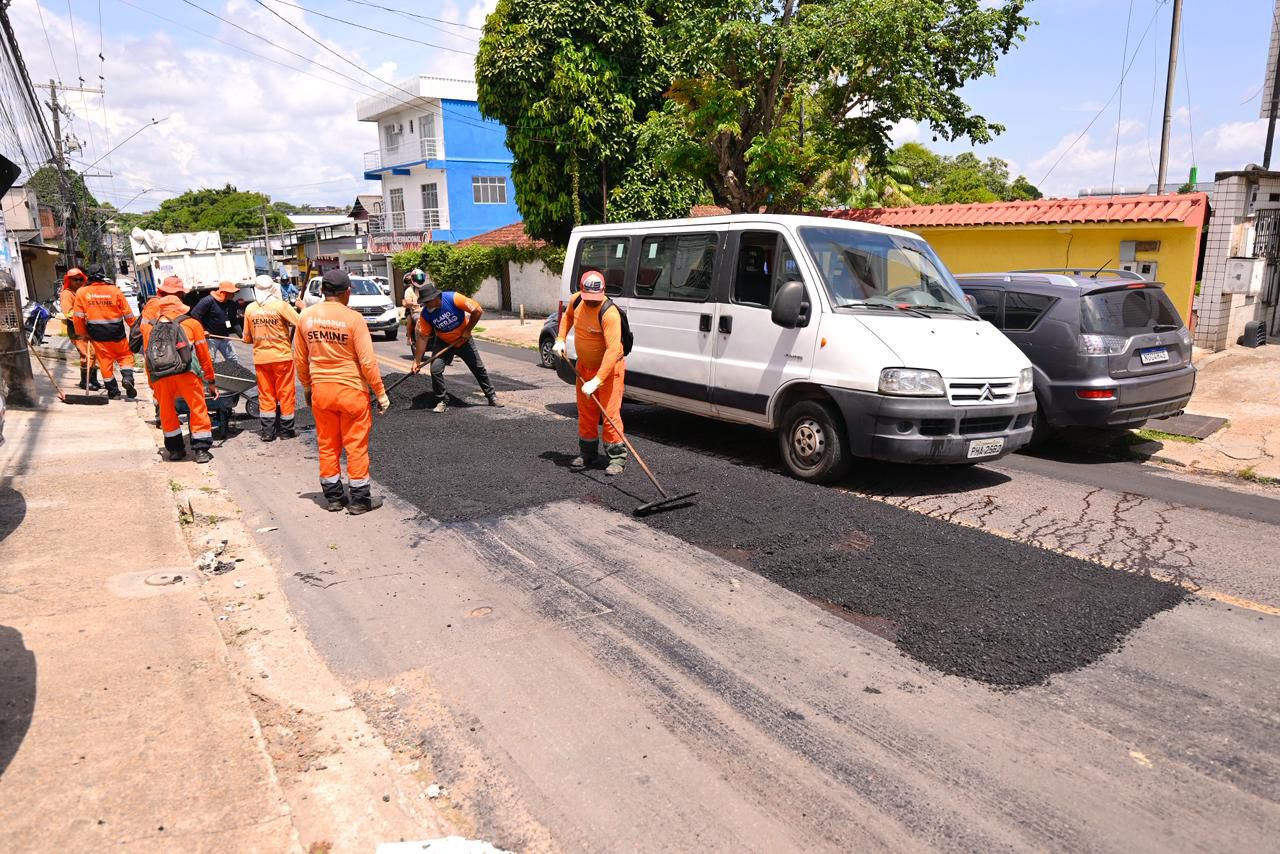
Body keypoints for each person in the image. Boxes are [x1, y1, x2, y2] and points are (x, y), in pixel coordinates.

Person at [294, 269, 390, 515]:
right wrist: (380, 393)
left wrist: (306, 386)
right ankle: (359, 500)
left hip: (321, 391)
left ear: (323, 291)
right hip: (351, 391)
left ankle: (334, 498)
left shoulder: (306, 317)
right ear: (347, 292)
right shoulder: (353, 319)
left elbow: (300, 359)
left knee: (327, 444)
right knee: (355, 445)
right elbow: (367, 361)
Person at [553, 270, 627, 475]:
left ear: (602, 292)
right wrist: (560, 339)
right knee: (586, 412)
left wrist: (597, 380)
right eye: (589, 298)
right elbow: (567, 318)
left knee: (609, 413)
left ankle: (616, 458)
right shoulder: (576, 301)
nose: (592, 302)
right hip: (583, 367)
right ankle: (587, 453)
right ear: (581, 291)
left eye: (596, 299)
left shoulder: (609, 313)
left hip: (609, 370)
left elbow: (612, 350)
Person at [140, 275, 217, 463]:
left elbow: (148, 357)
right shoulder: (191, 324)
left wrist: (152, 383)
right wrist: (211, 381)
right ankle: (200, 450)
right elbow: (204, 356)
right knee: (197, 408)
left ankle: (175, 450)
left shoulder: (150, 328)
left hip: (161, 376)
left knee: (167, 411)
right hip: (187, 373)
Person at [410, 283, 502, 412]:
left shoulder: (453, 298)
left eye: (428, 302)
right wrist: (417, 361)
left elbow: (477, 310)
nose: (426, 305)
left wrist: (468, 330)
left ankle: (491, 396)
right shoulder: (426, 315)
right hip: (443, 342)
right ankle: (442, 400)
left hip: (464, 340)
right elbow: (423, 338)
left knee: (478, 368)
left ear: (435, 297)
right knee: (435, 370)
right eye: (424, 303)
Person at [243, 274, 301, 442]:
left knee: (266, 394)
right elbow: (299, 322)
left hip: (261, 359)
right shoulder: (280, 306)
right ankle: (286, 431)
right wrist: (300, 308)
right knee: (285, 393)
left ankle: (268, 432)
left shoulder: (250, 309)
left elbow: (247, 338)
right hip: (282, 358)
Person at [72, 264, 137, 400]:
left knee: (105, 362)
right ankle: (127, 377)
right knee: (125, 356)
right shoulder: (114, 291)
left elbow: (78, 317)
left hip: (97, 335)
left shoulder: (82, 293)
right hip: (117, 333)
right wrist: (135, 328)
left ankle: (113, 392)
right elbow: (128, 314)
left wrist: (82, 334)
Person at [60, 267, 99, 391]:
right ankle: (85, 381)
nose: (78, 282)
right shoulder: (67, 294)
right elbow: (69, 313)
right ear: (69, 280)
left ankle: (92, 379)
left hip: (87, 329)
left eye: (80, 279)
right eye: (75, 279)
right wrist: (84, 319)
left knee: (91, 354)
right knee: (88, 355)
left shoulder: (81, 293)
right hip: (77, 330)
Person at [191, 280, 243, 365]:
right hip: (211, 338)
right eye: (232, 292)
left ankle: (232, 377)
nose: (234, 295)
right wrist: (203, 330)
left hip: (225, 337)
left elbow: (234, 321)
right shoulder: (208, 301)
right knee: (209, 361)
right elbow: (195, 315)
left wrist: (242, 335)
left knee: (233, 360)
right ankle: (209, 377)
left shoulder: (231, 304)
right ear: (224, 293)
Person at [402, 268, 424, 354]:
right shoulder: (408, 290)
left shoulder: (425, 288)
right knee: (418, 320)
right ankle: (417, 341)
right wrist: (412, 304)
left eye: (421, 276)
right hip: (416, 312)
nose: (420, 278)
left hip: (427, 310)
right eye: (418, 277)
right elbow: (406, 302)